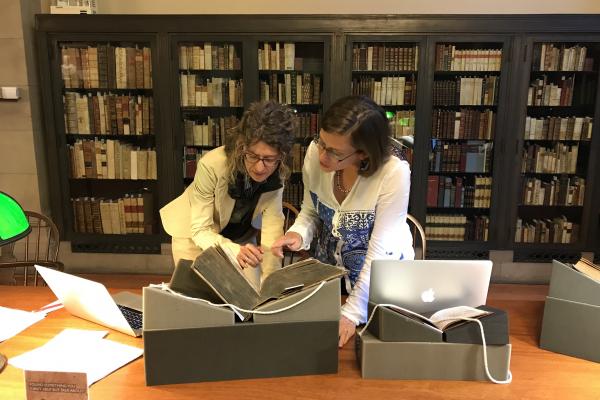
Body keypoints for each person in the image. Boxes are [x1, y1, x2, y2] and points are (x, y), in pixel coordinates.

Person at [272, 95, 415, 347]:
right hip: (330, 278)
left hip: (378, 288)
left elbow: (380, 250)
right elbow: (310, 210)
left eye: (334, 153)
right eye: (321, 142)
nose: (322, 156)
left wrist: (351, 313)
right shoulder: (316, 153)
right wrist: (297, 234)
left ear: (363, 153)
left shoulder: (394, 173)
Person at [160, 100, 296, 288]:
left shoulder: (277, 173)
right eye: (253, 155)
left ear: (281, 155)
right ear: (242, 145)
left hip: (241, 238)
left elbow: (272, 230)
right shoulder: (212, 165)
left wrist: (271, 283)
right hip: (194, 237)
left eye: (269, 159)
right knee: (198, 301)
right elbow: (200, 230)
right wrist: (233, 250)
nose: (259, 167)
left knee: (251, 298)